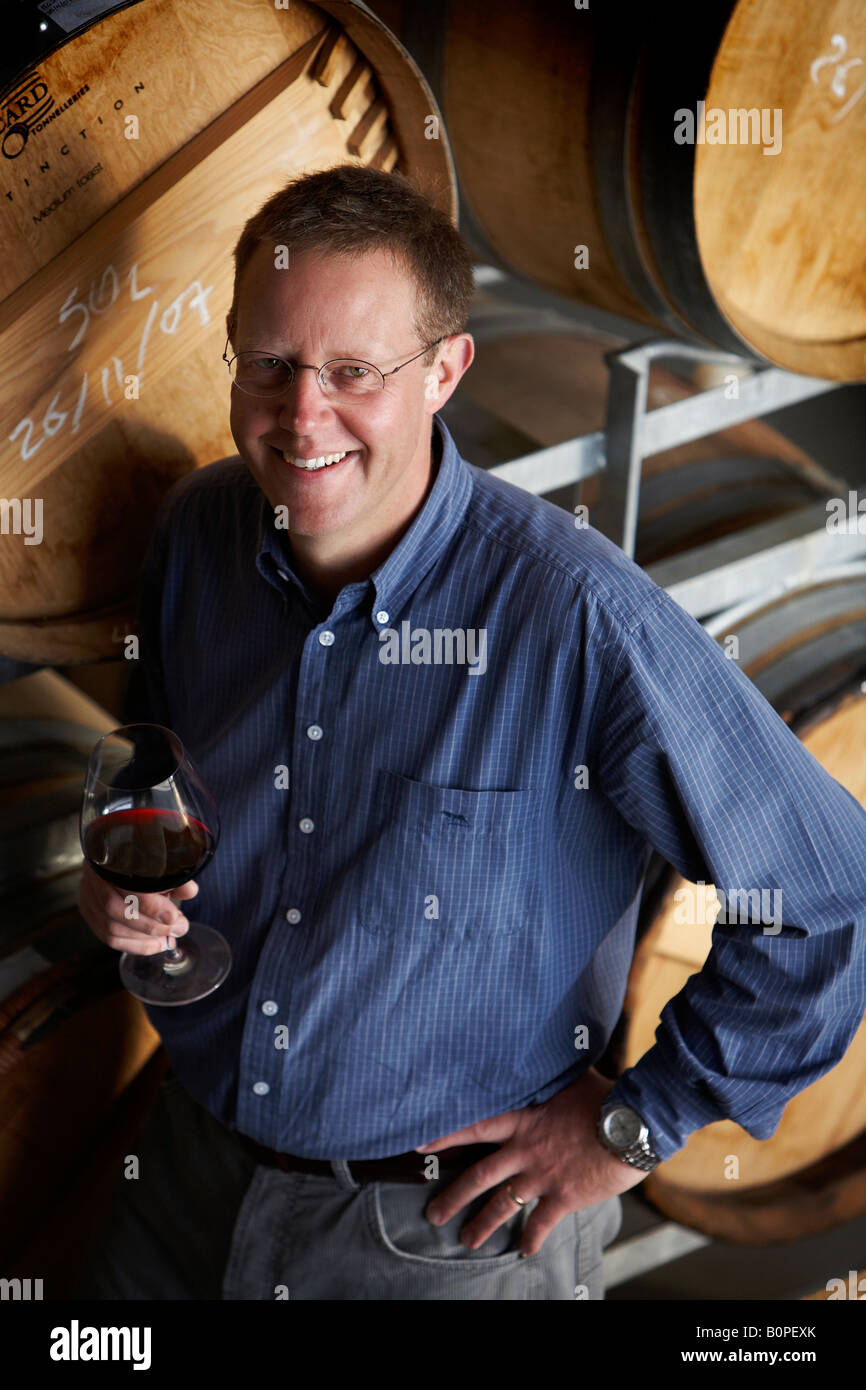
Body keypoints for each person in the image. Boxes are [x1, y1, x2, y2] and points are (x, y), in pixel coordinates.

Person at [72, 162, 866, 1302]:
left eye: (354, 372)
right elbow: (153, 768)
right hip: (188, 1173)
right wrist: (118, 894)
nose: (304, 415)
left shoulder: (574, 614)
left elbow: (826, 896)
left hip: (439, 1240)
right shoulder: (200, 532)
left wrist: (636, 1127)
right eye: (272, 365)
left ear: (444, 369)